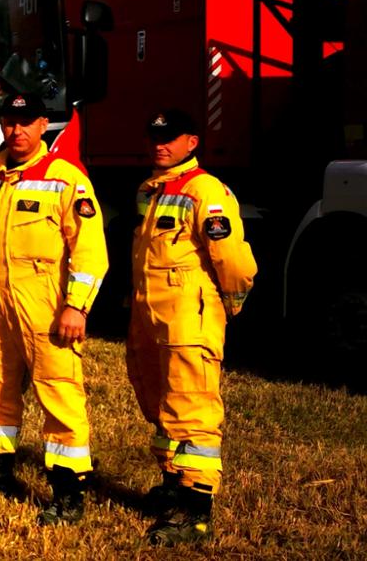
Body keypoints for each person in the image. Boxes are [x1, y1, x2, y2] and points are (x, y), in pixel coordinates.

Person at [0, 93, 108, 524]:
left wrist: (76, 307)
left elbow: (90, 250)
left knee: (58, 392)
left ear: (44, 125)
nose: (17, 130)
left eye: (26, 122)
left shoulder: (65, 179)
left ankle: (67, 491)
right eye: (10, 121)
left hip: (44, 305)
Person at [128, 109, 257, 546]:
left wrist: (232, 300)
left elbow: (231, 258)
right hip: (152, 317)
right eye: (154, 137)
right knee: (161, 402)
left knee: (192, 408)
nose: (160, 145)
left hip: (187, 317)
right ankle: (173, 484)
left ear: (192, 142)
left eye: (170, 138)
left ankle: (196, 510)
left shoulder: (205, 190)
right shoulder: (153, 189)